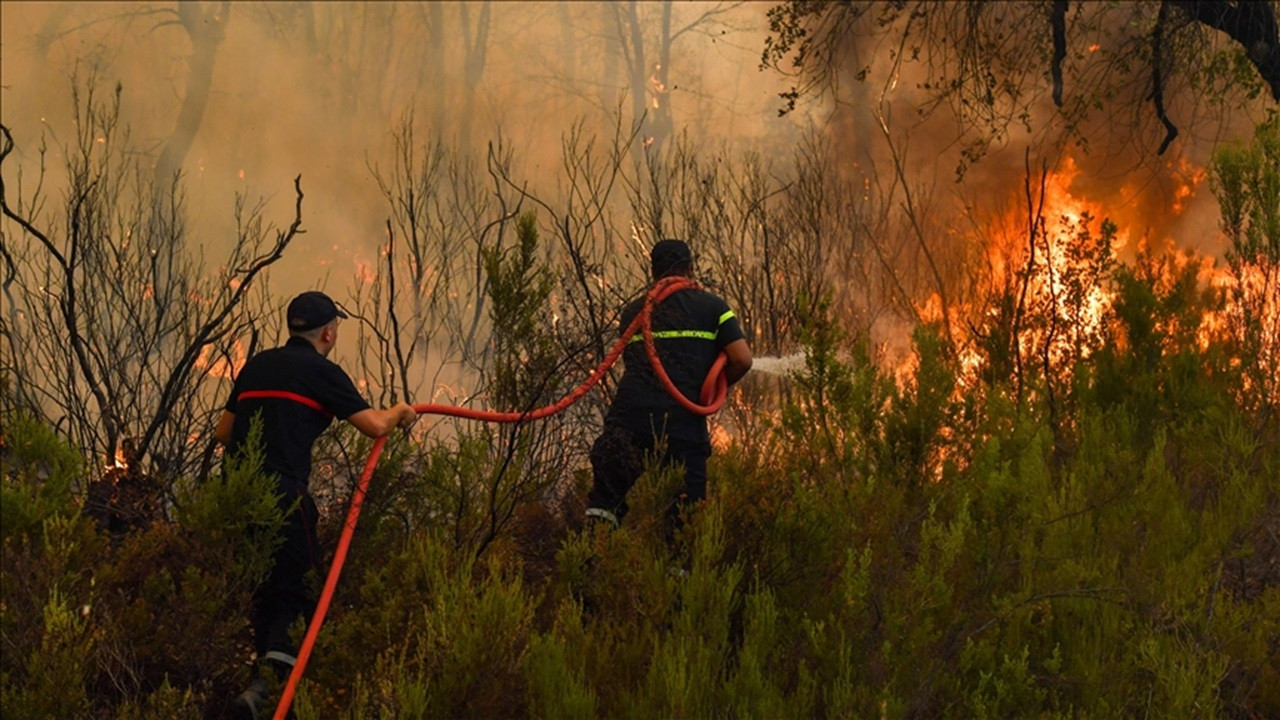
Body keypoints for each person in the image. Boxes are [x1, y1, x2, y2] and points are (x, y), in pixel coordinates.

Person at [216, 290, 417, 719]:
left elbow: (223, 432)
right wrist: (401, 411)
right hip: (285, 498)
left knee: (263, 594)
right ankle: (267, 695)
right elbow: (375, 425)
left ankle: (260, 696)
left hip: (237, 499)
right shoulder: (320, 371)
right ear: (328, 332)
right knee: (301, 592)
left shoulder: (257, 365)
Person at [586, 239, 752, 541]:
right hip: (682, 427)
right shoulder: (714, 308)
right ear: (690, 268)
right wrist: (712, 388)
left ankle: (586, 572)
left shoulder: (633, 313)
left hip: (628, 421)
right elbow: (742, 359)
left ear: (653, 272)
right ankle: (677, 580)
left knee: (605, 505)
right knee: (684, 522)